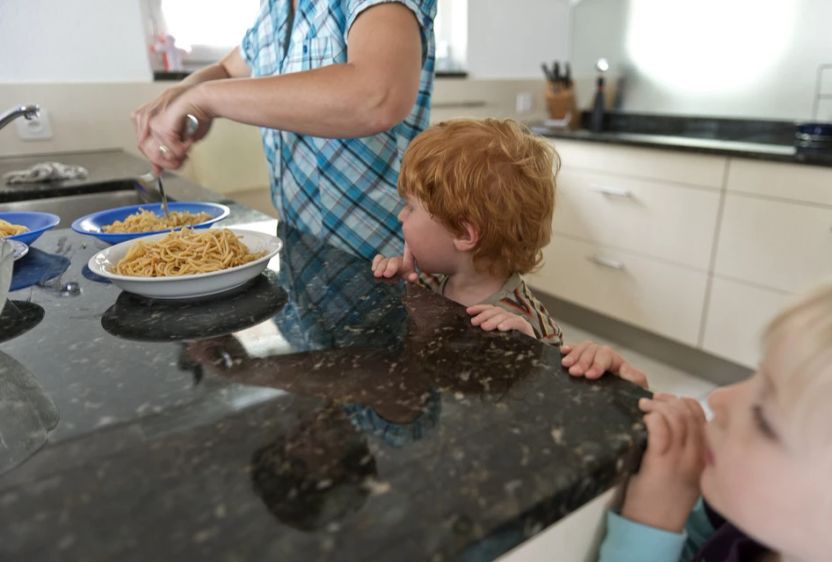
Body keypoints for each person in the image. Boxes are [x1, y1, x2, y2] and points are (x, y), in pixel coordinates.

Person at [579, 273, 832, 562]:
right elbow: (700, 554)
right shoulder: (774, 532)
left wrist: (650, 525)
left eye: (764, 418)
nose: (719, 398)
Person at [132, 0, 437, 260]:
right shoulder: (275, 8)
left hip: (387, 260)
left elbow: (378, 95)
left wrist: (202, 99)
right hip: (300, 250)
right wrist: (182, 92)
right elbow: (228, 69)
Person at [371, 118, 565, 346]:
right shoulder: (429, 283)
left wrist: (530, 347)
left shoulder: (522, 318)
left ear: (463, 234)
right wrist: (403, 287)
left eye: (411, 207)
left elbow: (555, 375)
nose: (401, 216)